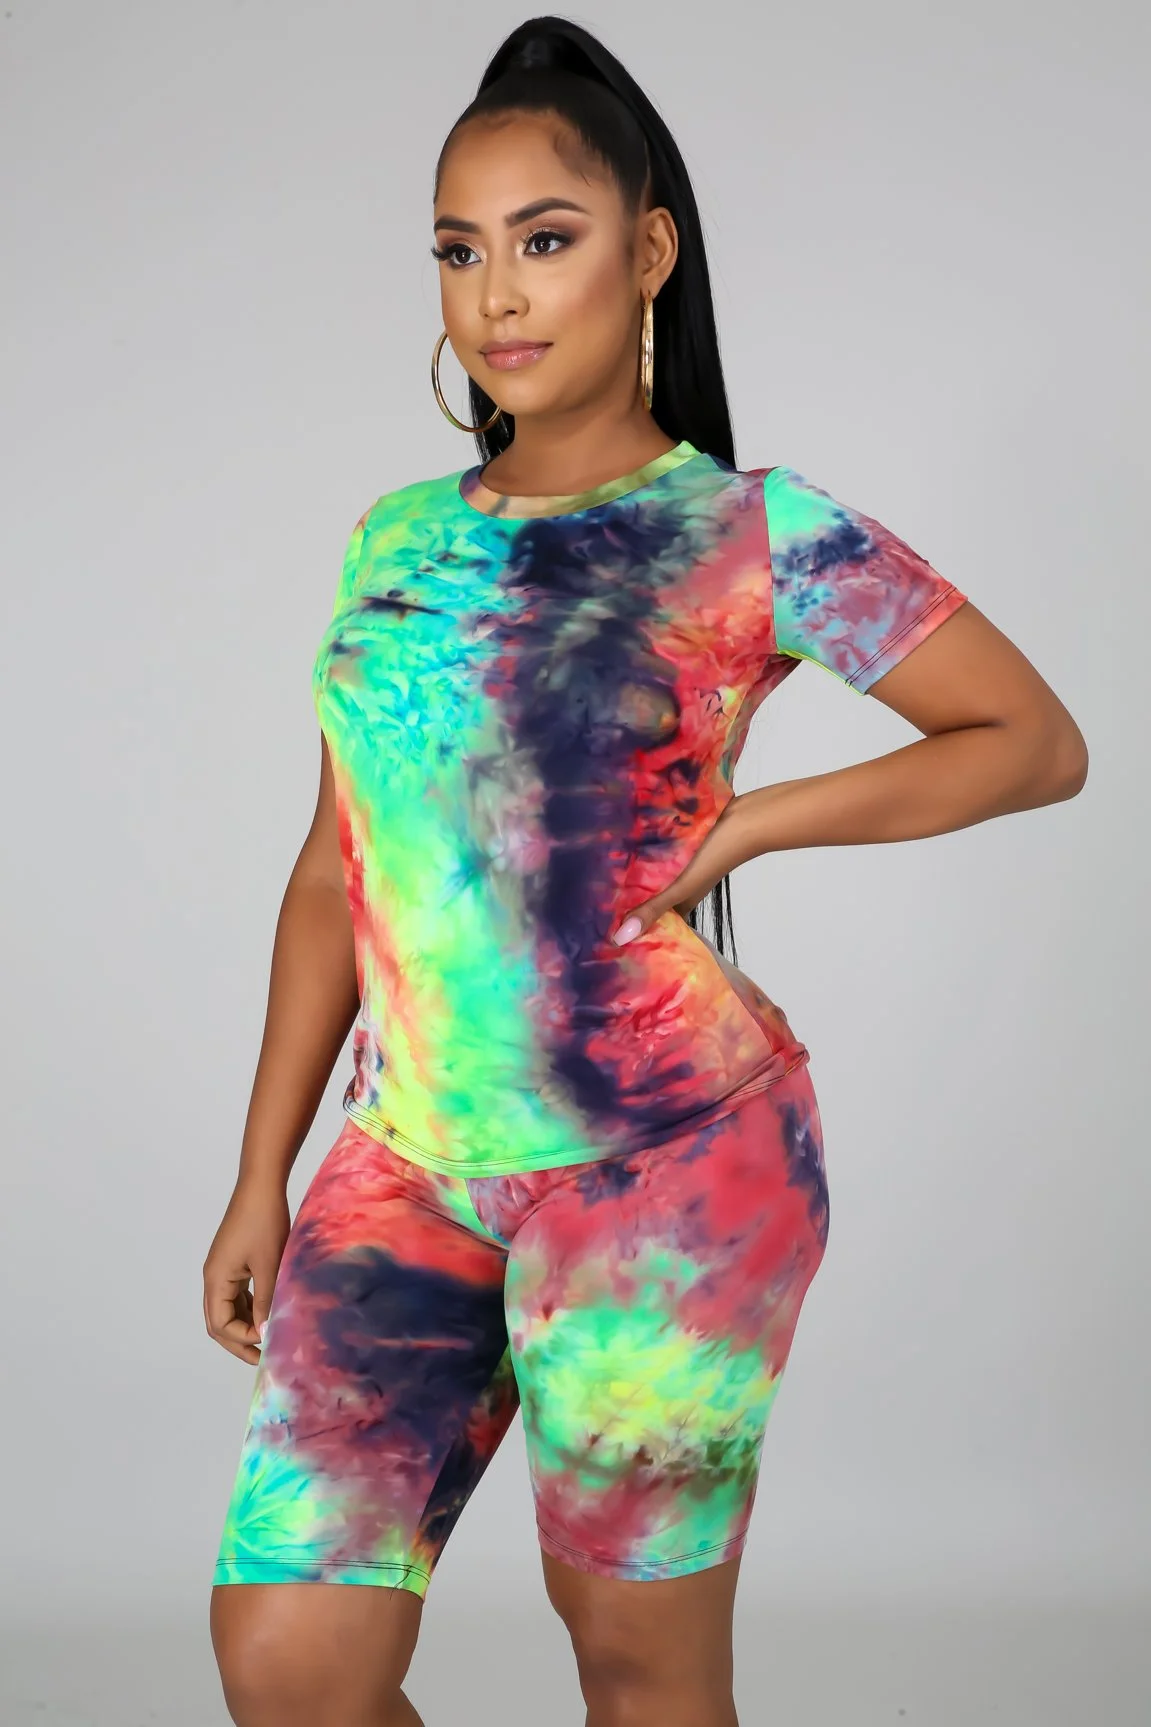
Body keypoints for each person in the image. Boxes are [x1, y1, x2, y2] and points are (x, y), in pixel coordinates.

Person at [202, 15, 1088, 1727]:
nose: (497, 295)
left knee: (634, 1665)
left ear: (649, 252)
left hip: (667, 1171)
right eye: (460, 250)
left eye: (545, 240)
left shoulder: (751, 531)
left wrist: (753, 822)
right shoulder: (396, 538)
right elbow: (331, 873)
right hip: (407, 1162)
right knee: (291, 1662)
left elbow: (1031, 741)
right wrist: (263, 1171)